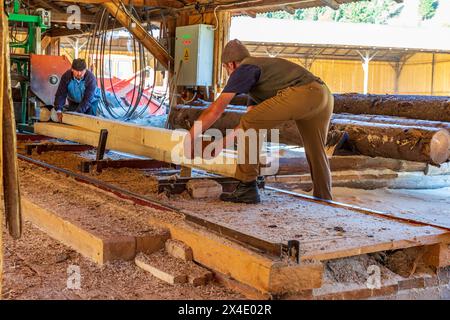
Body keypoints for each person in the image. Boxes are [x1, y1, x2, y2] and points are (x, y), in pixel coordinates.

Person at [185, 39, 334, 204]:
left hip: (306, 93)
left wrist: (189, 138)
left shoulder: (245, 69)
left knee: (250, 121)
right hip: (323, 94)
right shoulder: (260, 79)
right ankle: (324, 199)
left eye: (226, 68)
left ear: (231, 64)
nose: (228, 73)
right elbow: (249, 126)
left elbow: (216, 110)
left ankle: (247, 185)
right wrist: (221, 145)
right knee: (316, 150)